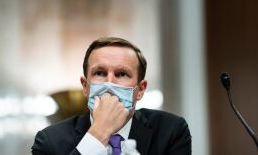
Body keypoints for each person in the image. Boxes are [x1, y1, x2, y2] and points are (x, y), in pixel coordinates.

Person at [31, 37, 191, 155]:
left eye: (122, 74)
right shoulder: (50, 140)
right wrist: (99, 133)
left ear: (141, 89)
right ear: (85, 87)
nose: (109, 84)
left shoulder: (170, 130)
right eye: (99, 73)